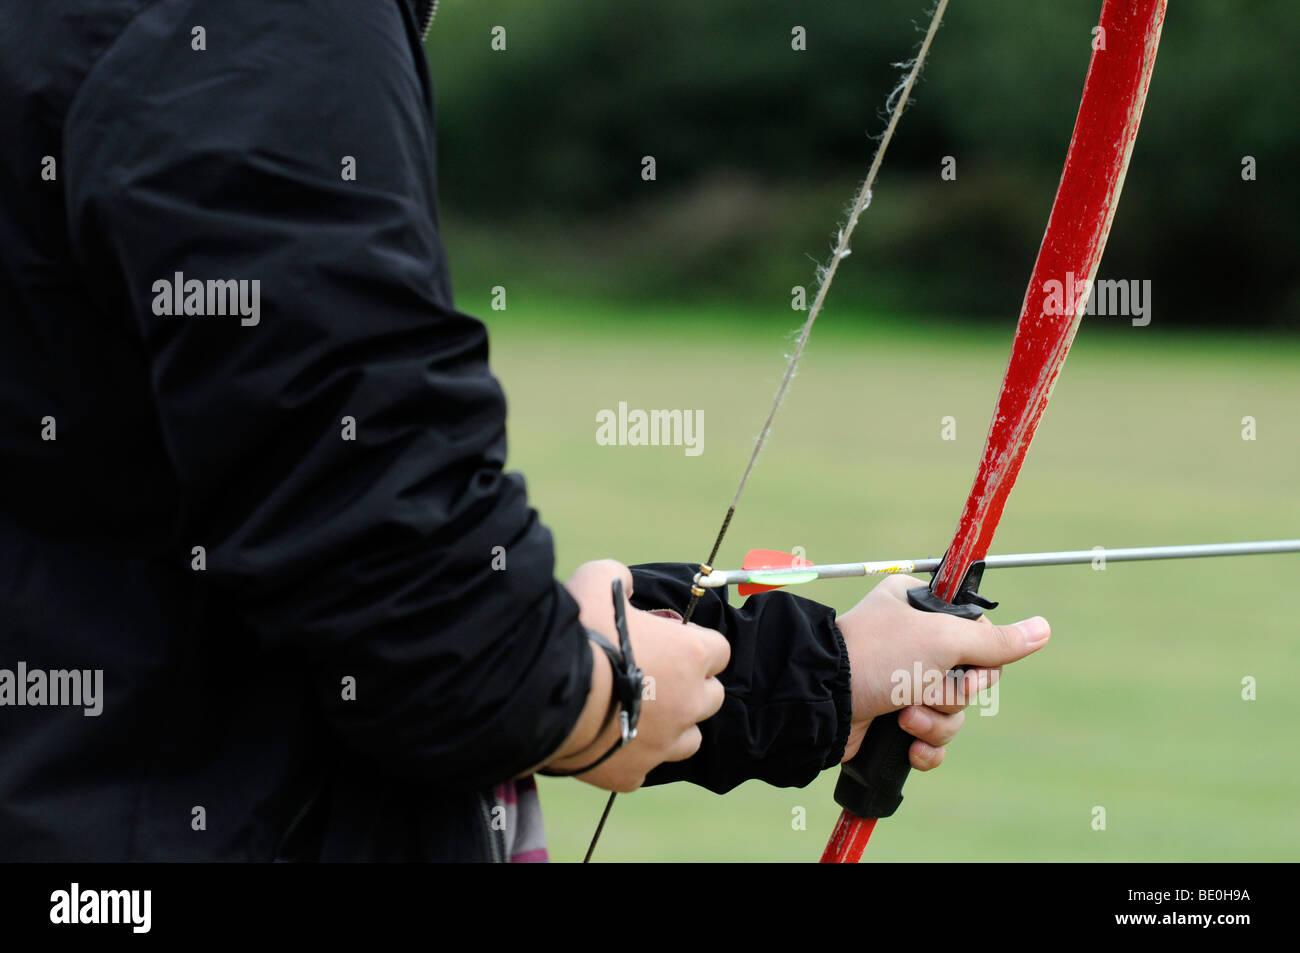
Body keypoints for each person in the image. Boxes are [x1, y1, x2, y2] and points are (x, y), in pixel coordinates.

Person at [0, 0, 1050, 861]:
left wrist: (814, 670)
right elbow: (414, 615)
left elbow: (247, 569)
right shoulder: (261, 30)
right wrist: (604, 690)